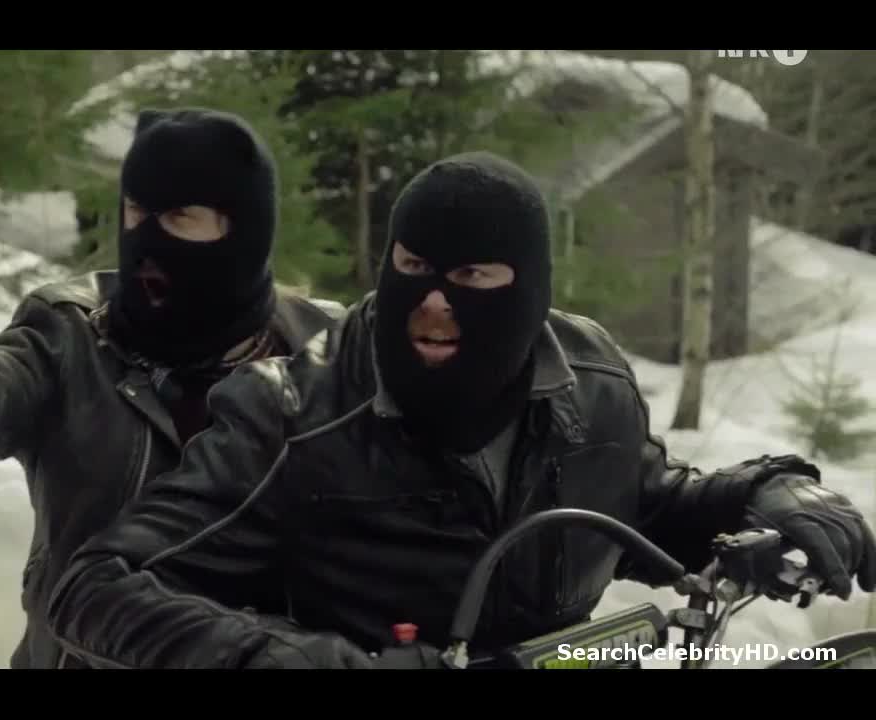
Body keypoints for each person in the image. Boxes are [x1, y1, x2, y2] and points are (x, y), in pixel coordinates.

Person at [44, 151, 876, 669]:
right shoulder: (292, 414)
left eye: (471, 277)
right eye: (413, 268)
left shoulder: (590, 380)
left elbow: (640, 504)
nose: (434, 303)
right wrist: (315, 663)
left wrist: (770, 494)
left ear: (527, 288)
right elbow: (95, 587)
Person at [0, 107, 346, 669]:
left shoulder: (327, 357)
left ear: (243, 230)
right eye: (136, 212)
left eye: (179, 217)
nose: (147, 240)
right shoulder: (71, 336)